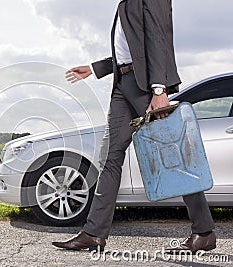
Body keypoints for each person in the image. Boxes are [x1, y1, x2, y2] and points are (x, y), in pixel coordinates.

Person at [52, 0, 216, 253]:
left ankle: (204, 232)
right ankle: (93, 233)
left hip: (146, 88)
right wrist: (95, 69)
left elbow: (158, 38)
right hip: (123, 85)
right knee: (111, 157)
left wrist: (159, 89)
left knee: (174, 155)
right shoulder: (125, 4)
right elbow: (130, 51)